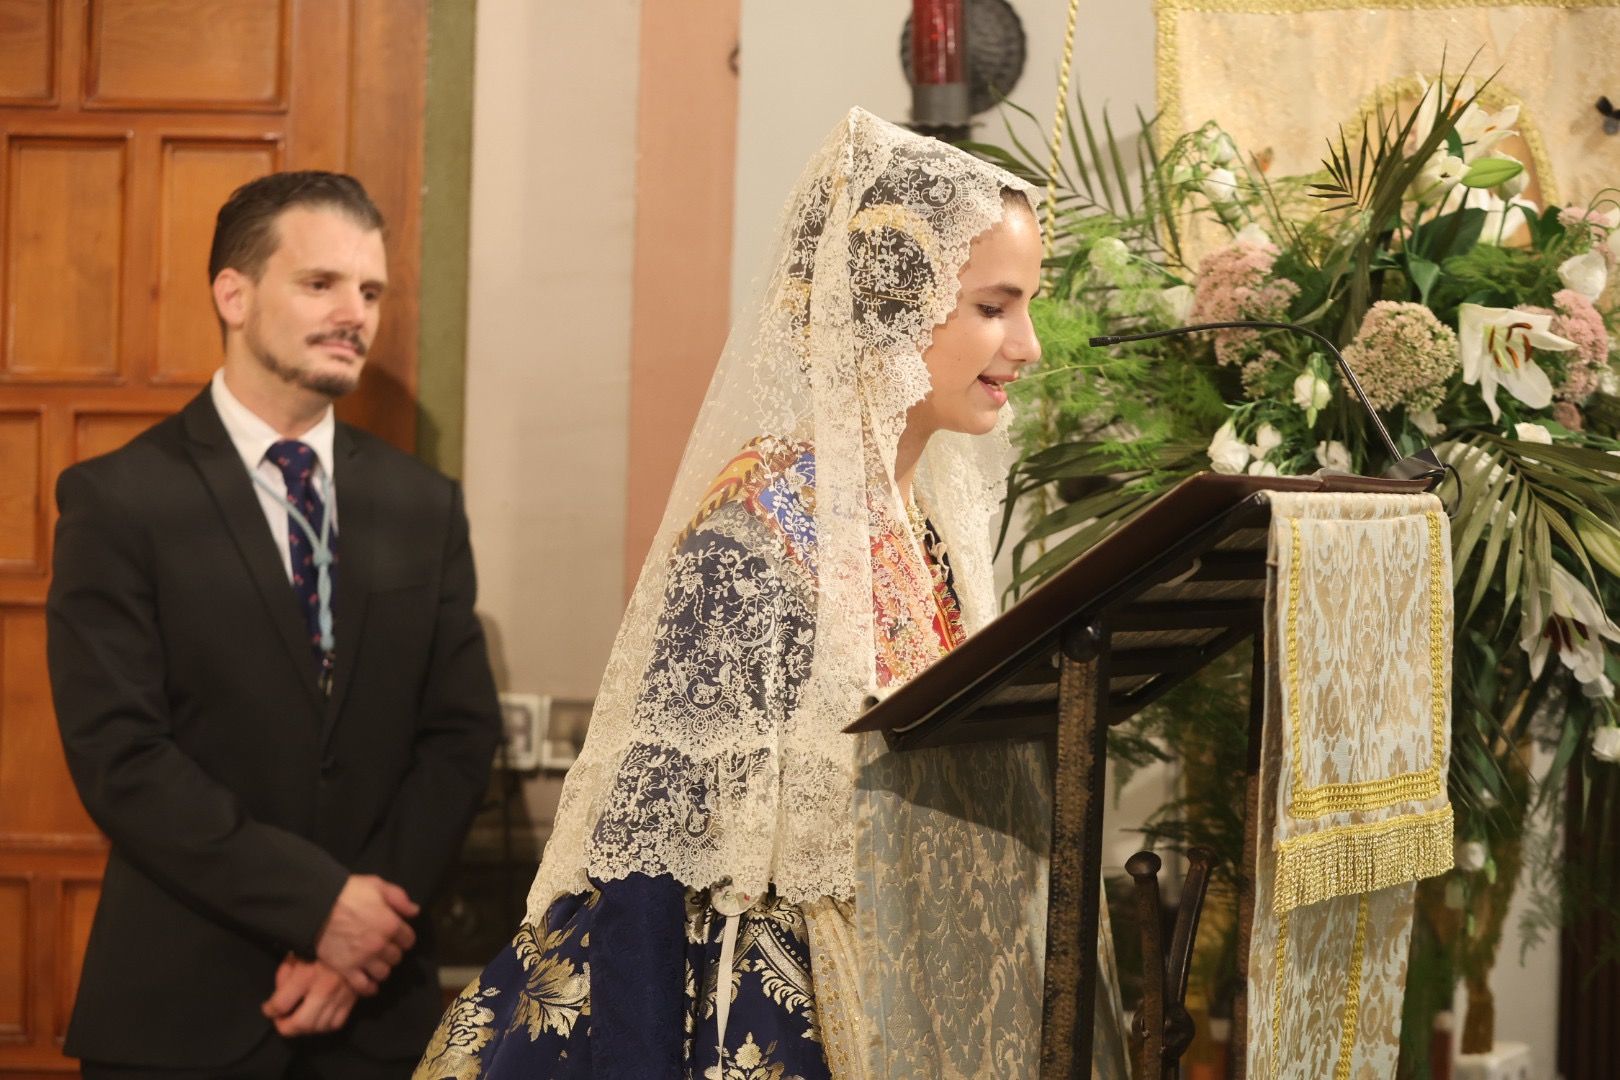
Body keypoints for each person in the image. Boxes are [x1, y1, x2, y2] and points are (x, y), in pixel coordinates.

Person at [415, 108, 1127, 1080]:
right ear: (892, 304)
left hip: (900, 990)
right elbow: (647, 849)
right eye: (996, 307)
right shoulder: (754, 538)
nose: (1030, 346)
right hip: (743, 1013)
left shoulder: (928, 531)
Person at [46, 171, 503, 1079]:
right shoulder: (119, 501)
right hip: (182, 1015)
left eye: (370, 291)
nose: (355, 314)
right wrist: (320, 906)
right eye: (321, 284)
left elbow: (459, 737)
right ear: (233, 292)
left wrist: (362, 935)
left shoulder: (424, 505)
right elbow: (121, 756)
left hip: (377, 1014)